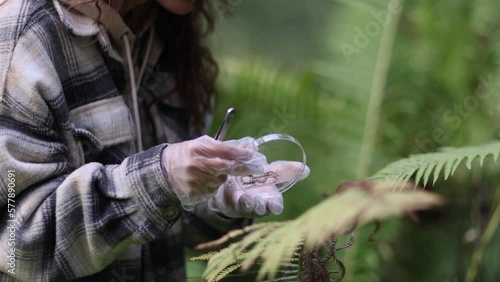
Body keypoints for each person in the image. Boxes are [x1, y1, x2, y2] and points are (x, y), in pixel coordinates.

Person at [0, 0, 310, 281]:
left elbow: (155, 228)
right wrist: (159, 179)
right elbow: (16, 246)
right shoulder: (24, 34)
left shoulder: (161, 29)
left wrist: (214, 196)